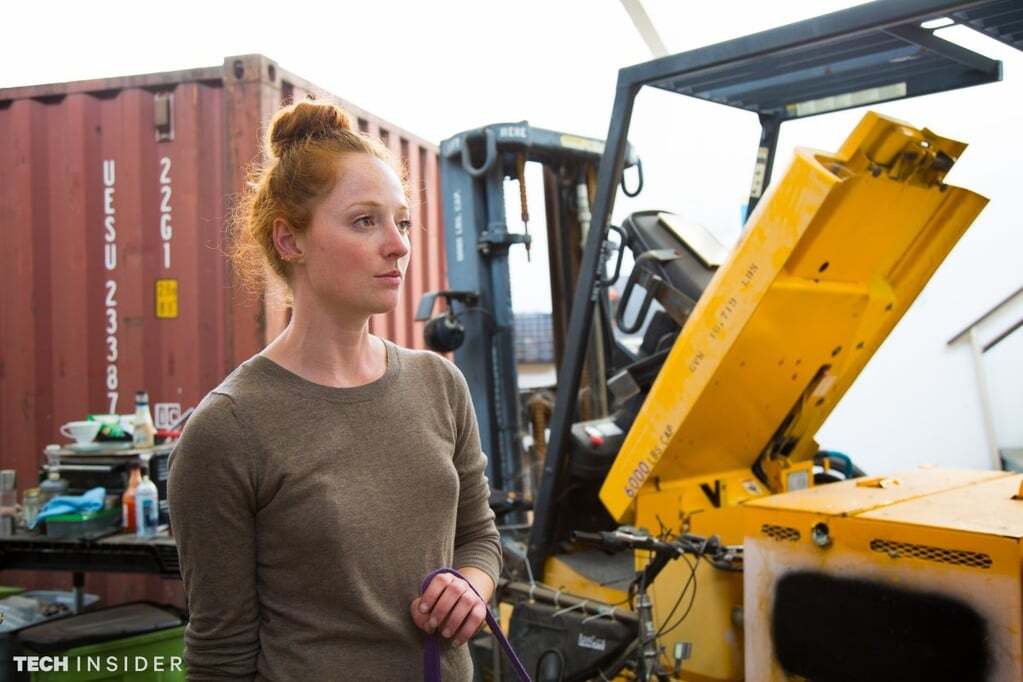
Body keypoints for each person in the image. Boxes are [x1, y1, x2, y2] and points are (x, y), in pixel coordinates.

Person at [168, 100, 502, 681]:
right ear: (290, 241)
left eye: (401, 221)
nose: (398, 244)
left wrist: (470, 587)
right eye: (364, 221)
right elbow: (219, 655)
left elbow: (478, 536)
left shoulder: (439, 384)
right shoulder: (230, 428)